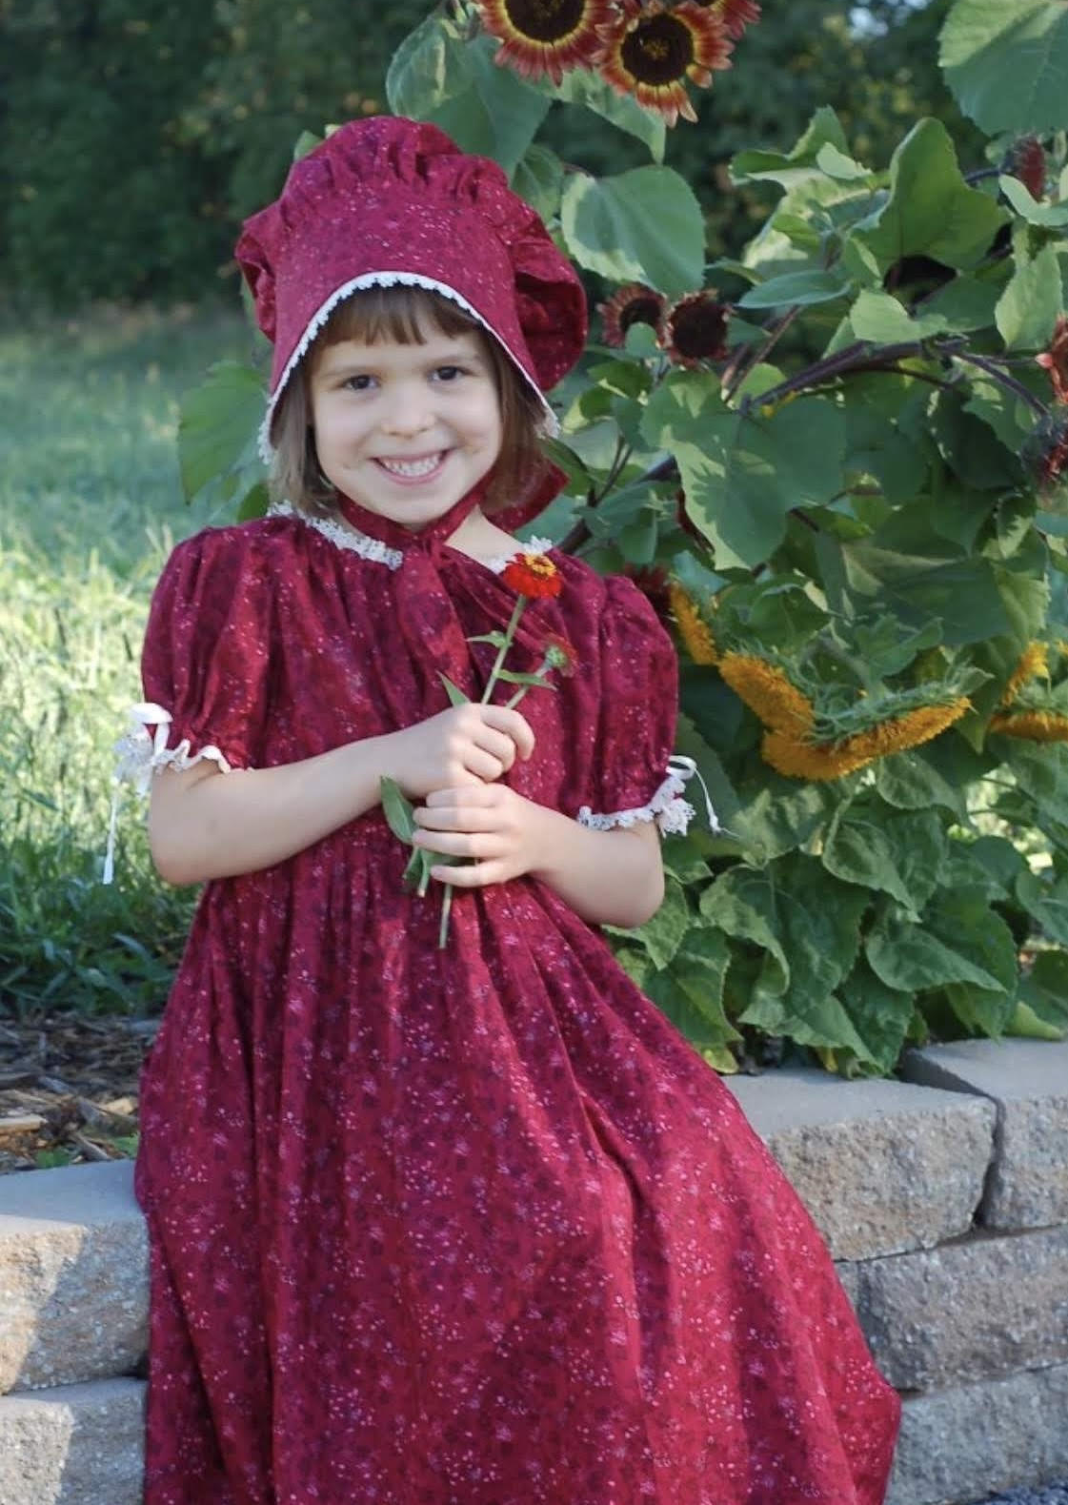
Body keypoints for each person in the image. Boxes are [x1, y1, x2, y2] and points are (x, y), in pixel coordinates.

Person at [126, 115, 900, 1505]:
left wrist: (536, 839)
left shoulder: (583, 619)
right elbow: (186, 840)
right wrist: (394, 756)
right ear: (298, 404)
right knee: (450, 1257)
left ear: (510, 381)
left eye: (447, 371)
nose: (407, 419)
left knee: (662, 1197)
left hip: (536, 1030)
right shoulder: (246, 586)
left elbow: (633, 887)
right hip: (313, 1029)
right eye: (358, 381)